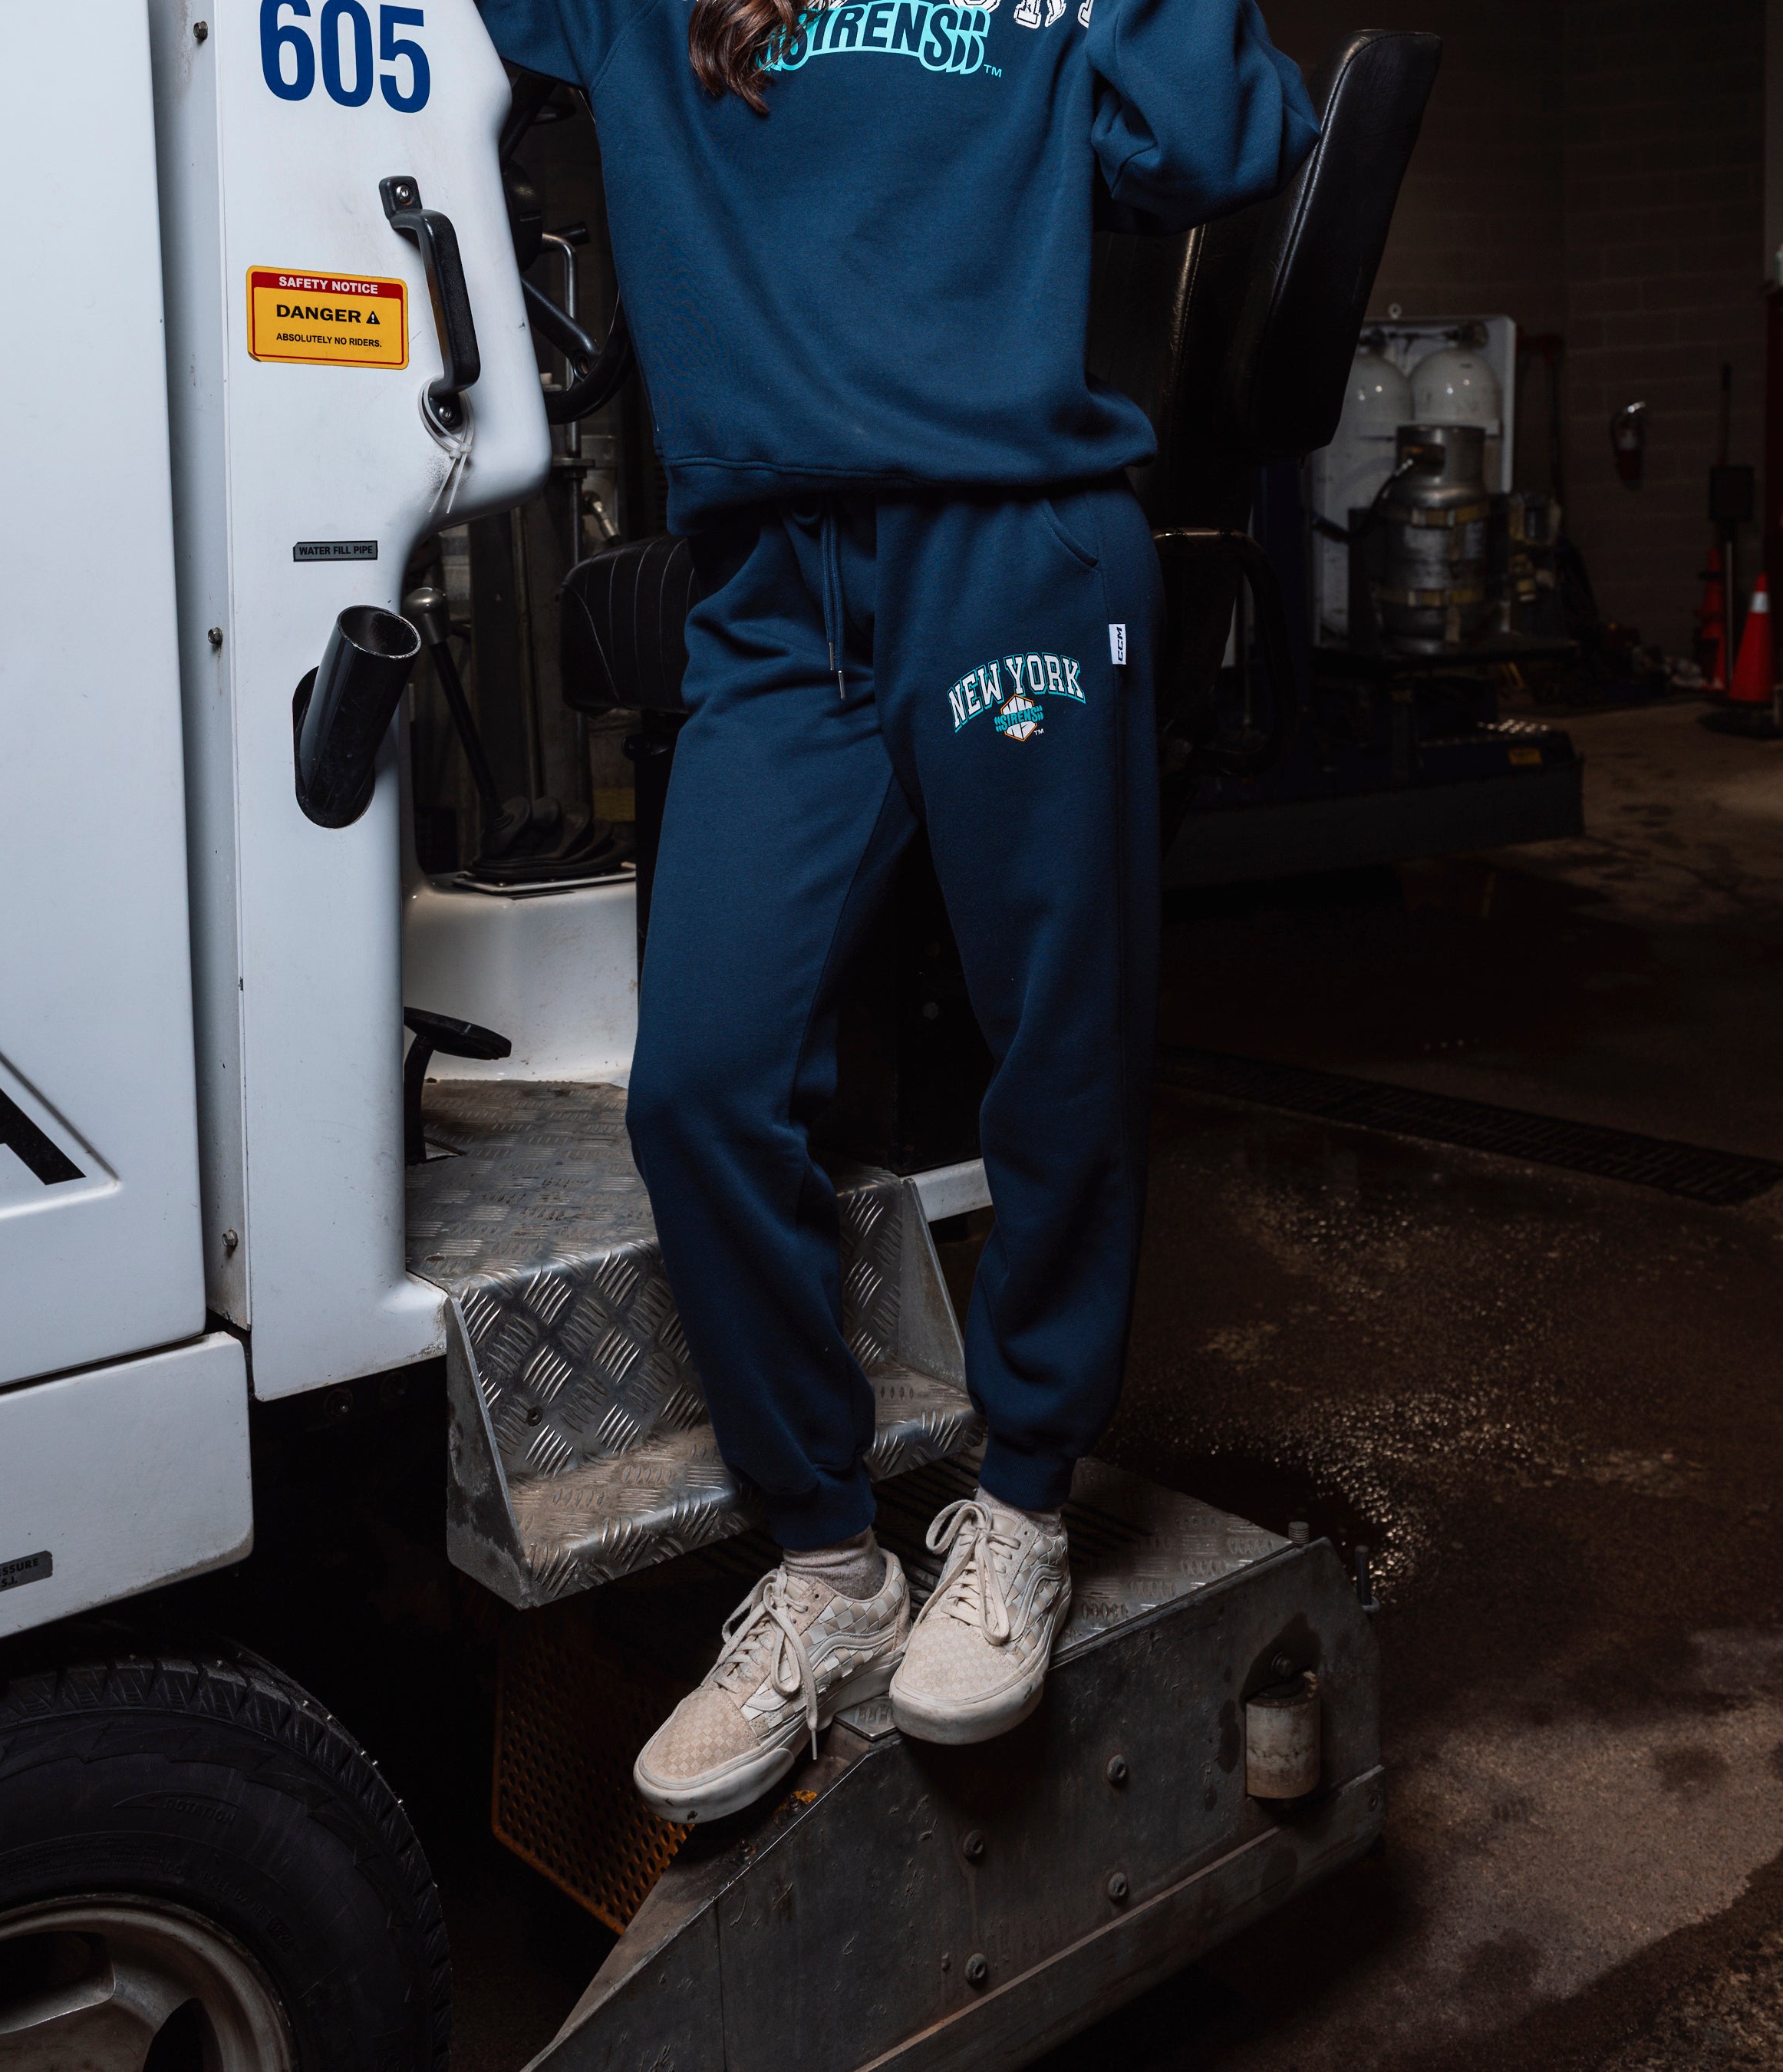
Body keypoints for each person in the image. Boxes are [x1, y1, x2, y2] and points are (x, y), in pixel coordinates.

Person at [470, 0, 1318, 1824]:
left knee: (1059, 1052)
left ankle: (1022, 1506)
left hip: (1021, 547)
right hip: (778, 600)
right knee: (700, 1087)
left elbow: (1222, 141)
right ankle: (831, 1567)